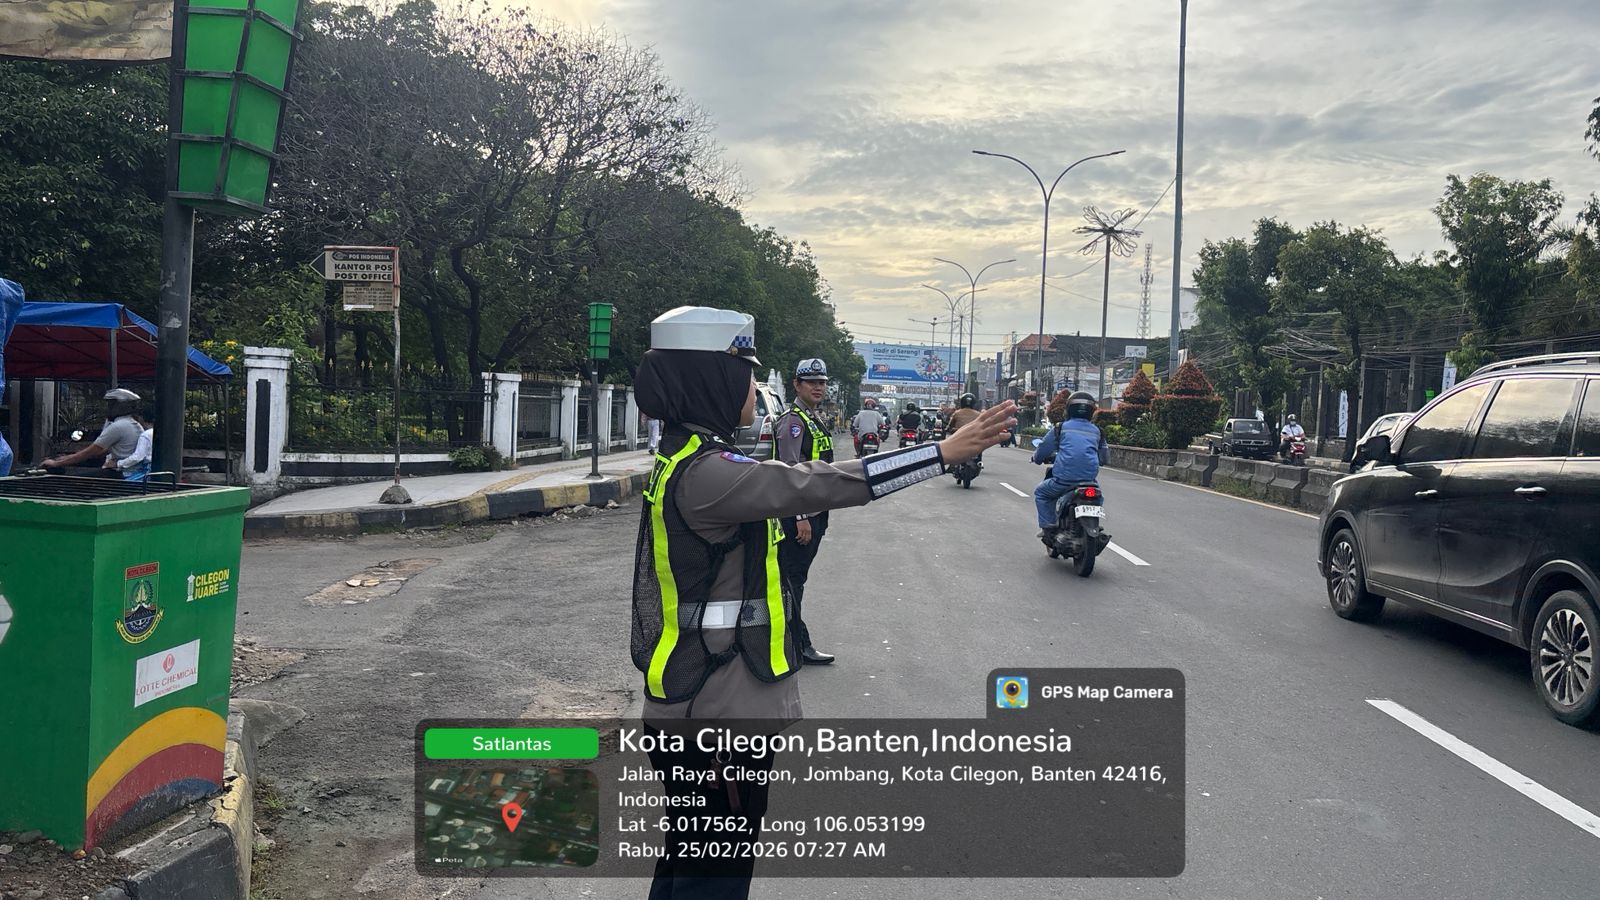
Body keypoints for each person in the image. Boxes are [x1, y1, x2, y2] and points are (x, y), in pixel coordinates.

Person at [631, 306, 1014, 899]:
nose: (753, 388)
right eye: (743, 374)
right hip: (718, 708)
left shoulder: (685, 459)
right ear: (711, 381)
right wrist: (938, 454)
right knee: (715, 877)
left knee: (688, 860)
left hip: (695, 697)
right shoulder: (709, 474)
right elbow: (821, 481)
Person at [771, 359, 837, 666]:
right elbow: (790, 471)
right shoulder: (793, 422)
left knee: (795, 578)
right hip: (800, 515)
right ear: (797, 385)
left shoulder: (812, 418)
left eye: (821, 382)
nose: (818, 387)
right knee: (791, 580)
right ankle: (797, 644)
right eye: (811, 382)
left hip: (815, 511)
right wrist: (801, 517)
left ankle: (791, 641)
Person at [1031, 391, 1108, 540]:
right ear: (1092, 412)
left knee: (1041, 493)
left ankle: (1047, 527)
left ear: (1068, 409)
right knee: (1098, 497)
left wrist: (1037, 458)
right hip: (1089, 481)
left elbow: (1044, 448)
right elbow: (1104, 457)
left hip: (1063, 481)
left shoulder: (1061, 428)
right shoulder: (1098, 431)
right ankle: (1094, 520)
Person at [42, 388, 144, 475]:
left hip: (122, 472)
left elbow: (91, 451)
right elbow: (100, 451)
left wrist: (56, 463)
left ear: (120, 406)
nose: (107, 408)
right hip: (127, 470)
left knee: (74, 479)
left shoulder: (119, 426)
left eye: (111, 405)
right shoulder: (129, 423)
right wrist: (66, 458)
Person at [115, 414, 154, 482]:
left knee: (125, 484)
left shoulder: (146, 435)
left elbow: (137, 457)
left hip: (148, 470)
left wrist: (118, 463)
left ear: (141, 419)